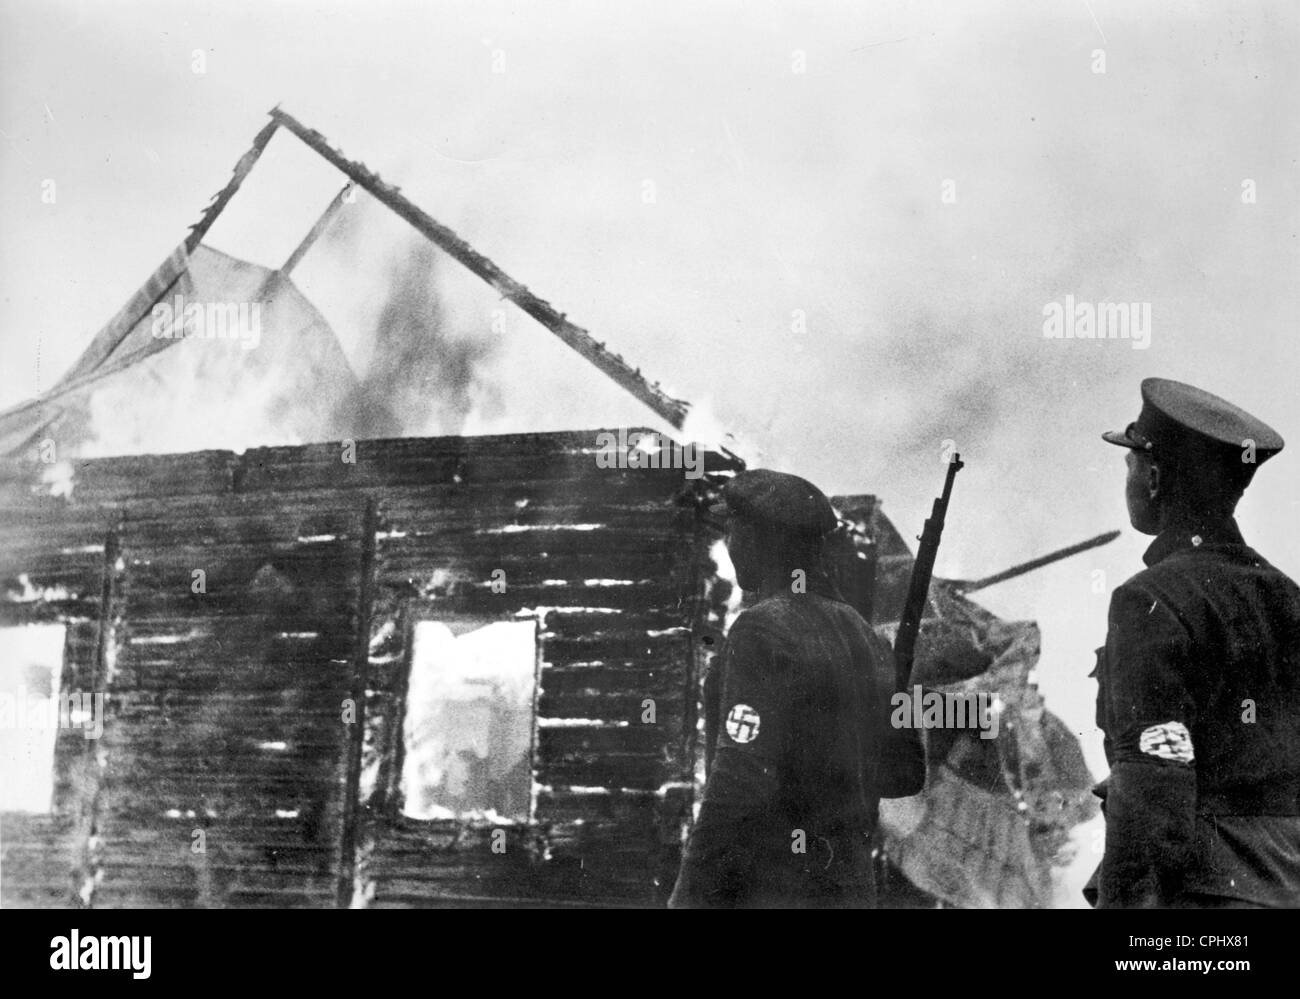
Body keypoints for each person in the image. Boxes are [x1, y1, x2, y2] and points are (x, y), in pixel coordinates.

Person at [1088, 377, 1300, 908]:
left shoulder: (1147, 600)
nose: (1129, 477)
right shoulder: (1288, 597)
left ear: (1155, 477)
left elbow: (1153, 788)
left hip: (1205, 904)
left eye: (1132, 462)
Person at [668, 469, 924, 908]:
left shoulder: (762, 629)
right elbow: (905, 777)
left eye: (734, 529)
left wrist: (688, 899)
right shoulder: (870, 638)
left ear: (758, 538)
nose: (730, 544)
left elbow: (739, 778)